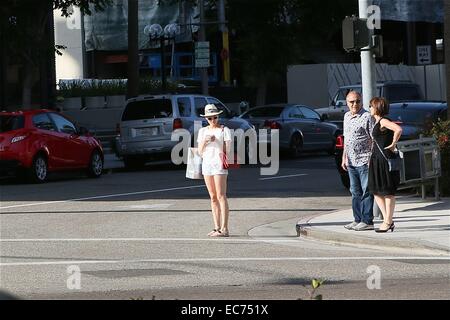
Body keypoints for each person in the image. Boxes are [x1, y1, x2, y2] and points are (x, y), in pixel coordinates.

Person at [342, 91, 375, 231]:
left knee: (366, 191)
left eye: (357, 101)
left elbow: (374, 138)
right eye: (351, 102)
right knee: (355, 192)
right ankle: (357, 219)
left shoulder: (367, 116)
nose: (355, 104)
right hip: (351, 160)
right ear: (347, 103)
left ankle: (367, 220)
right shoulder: (347, 116)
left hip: (364, 160)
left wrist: (371, 158)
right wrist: (344, 157)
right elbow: (347, 139)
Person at [368, 97, 402, 233]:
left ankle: (388, 221)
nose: (370, 108)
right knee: (375, 191)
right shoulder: (376, 122)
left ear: (377, 107)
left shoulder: (383, 121)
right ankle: (388, 220)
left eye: (371, 106)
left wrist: (393, 144)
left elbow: (398, 129)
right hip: (376, 159)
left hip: (384, 160)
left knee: (388, 191)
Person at [198, 104, 232, 237]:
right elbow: (200, 152)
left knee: (221, 195)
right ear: (206, 118)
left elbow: (227, 150)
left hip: (219, 164)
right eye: (210, 118)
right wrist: (205, 141)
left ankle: (225, 228)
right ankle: (216, 227)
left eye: (215, 117)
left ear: (218, 116)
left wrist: (218, 141)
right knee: (212, 197)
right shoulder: (202, 131)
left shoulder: (224, 130)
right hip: (207, 164)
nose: (213, 120)